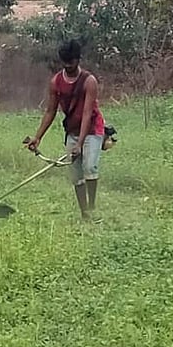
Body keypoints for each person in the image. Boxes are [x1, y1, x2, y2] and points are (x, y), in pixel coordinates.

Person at [27, 39, 106, 221]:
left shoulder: (89, 81)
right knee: (76, 174)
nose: (68, 65)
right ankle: (84, 213)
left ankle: (92, 208)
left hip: (93, 129)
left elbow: (87, 114)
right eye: (65, 62)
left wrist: (80, 144)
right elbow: (50, 111)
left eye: (72, 61)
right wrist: (37, 138)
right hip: (72, 130)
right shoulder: (56, 82)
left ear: (78, 60)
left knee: (90, 166)